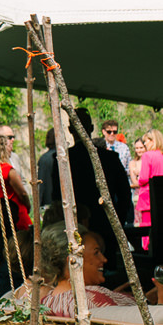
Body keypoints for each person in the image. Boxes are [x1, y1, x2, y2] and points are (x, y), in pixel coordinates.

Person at [65, 107, 132, 264]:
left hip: (75, 226)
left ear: (70, 129)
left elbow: (56, 196)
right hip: (105, 224)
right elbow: (125, 194)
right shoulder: (109, 158)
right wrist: (118, 221)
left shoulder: (64, 160)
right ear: (92, 128)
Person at [30, 222, 132, 318]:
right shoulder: (91, 299)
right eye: (96, 253)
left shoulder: (45, 303)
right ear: (73, 261)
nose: (104, 259)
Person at [133, 129, 163, 241]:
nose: (144, 144)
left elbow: (143, 179)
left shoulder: (148, 156)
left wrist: (138, 177)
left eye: (146, 141)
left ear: (153, 141)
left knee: (148, 233)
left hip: (149, 199)